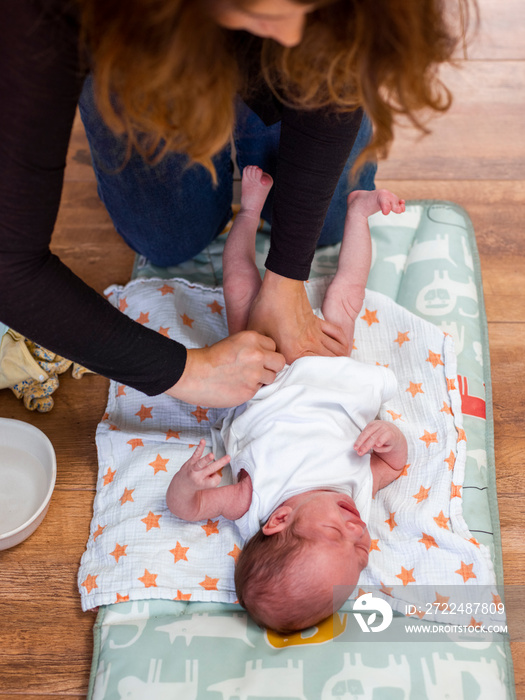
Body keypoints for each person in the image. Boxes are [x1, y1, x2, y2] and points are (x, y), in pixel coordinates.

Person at [0, 0, 473, 408]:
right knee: (168, 241)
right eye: (264, 12)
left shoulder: (307, 29)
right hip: (139, 49)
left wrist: (287, 277)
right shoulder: (43, 17)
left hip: (243, 47)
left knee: (324, 226)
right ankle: (245, 194)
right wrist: (191, 372)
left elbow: (329, 61)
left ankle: (256, 170)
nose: (291, 33)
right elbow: (10, 265)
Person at [166, 166, 408, 632]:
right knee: (346, 297)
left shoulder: (254, 500)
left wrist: (189, 481)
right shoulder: (356, 493)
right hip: (329, 365)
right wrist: (390, 437)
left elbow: (186, 508)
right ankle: (359, 212)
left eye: (337, 534)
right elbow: (396, 466)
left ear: (279, 520)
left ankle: (250, 211)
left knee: (239, 287)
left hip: (261, 368)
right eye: (361, 553)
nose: (359, 532)